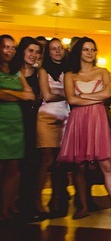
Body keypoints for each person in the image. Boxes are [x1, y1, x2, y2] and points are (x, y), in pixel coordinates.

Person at [56, 37, 111, 220]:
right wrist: (93, 97)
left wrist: (82, 95)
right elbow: (71, 99)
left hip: (98, 119)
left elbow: (107, 94)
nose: (90, 53)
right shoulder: (70, 75)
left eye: (93, 49)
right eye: (86, 49)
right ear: (78, 52)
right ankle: (82, 206)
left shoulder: (102, 71)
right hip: (78, 120)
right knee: (79, 166)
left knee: (106, 164)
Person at [0, 35, 35, 221]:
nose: (10, 51)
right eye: (6, 47)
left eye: (13, 47)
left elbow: (30, 95)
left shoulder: (17, 72)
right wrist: (19, 94)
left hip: (16, 123)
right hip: (1, 122)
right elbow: (22, 95)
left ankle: (6, 208)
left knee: (13, 168)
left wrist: (7, 93)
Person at [36, 38, 70, 218]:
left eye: (60, 48)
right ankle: (37, 201)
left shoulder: (69, 70)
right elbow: (47, 96)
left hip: (66, 117)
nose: (57, 51)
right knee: (47, 160)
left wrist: (62, 94)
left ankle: (56, 201)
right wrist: (66, 94)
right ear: (48, 52)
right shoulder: (43, 70)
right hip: (47, 117)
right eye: (53, 48)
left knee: (60, 162)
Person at [12, 37, 44, 220]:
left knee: (31, 164)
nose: (34, 55)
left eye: (37, 52)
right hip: (13, 122)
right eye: (30, 51)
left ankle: (27, 205)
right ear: (22, 51)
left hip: (34, 123)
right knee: (13, 166)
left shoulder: (40, 74)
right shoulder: (12, 72)